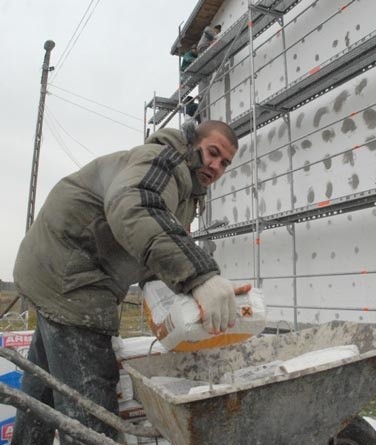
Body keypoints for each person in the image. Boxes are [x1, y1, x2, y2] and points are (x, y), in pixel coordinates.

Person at [11, 120, 239, 444]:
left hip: (61, 270)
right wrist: (201, 275)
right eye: (212, 153)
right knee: (91, 414)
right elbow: (134, 204)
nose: (216, 166)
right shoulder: (165, 159)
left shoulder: (186, 193)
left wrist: (191, 293)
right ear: (192, 143)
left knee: (44, 387)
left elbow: (148, 252)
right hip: (70, 273)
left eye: (225, 163)